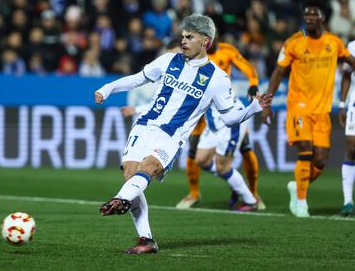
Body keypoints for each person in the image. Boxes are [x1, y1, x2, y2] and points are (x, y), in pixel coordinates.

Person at [95, 13, 272, 254]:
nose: (184, 41)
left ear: (206, 41)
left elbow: (230, 118)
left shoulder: (218, 79)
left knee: (149, 168)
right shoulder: (168, 60)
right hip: (144, 126)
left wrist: (254, 107)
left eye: (190, 37)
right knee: (131, 176)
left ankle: (119, 199)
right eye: (183, 36)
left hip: (171, 136)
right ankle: (146, 240)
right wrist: (108, 88)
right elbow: (137, 80)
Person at [262, 0, 355, 217]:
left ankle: (298, 186)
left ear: (323, 17)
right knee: (305, 149)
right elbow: (277, 72)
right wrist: (267, 102)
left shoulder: (334, 42)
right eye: (307, 15)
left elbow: (351, 62)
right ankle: (302, 203)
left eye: (314, 15)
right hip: (299, 107)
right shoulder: (294, 42)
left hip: (322, 111)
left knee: (321, 160)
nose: (310, 18)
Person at [176, 38, 264, 210]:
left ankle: (251, 198)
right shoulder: (192, 59)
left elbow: (248, 69)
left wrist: (253, 87)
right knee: (200, 159)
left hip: (227, 115)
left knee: (239, 154)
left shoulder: (224, 55)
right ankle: (234, 182)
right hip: (210, 118)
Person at [195, 94, 259, 211]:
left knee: (222, 167)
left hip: (230, 121)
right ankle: (235, 180)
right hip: (213, 123)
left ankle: (251, 201)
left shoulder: (212, 79)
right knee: (201, 160)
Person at [339, 40, 355, 216]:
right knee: (351, 147)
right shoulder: (352, 47)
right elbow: (346, 75)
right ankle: (347, 201)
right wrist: (342, 104)